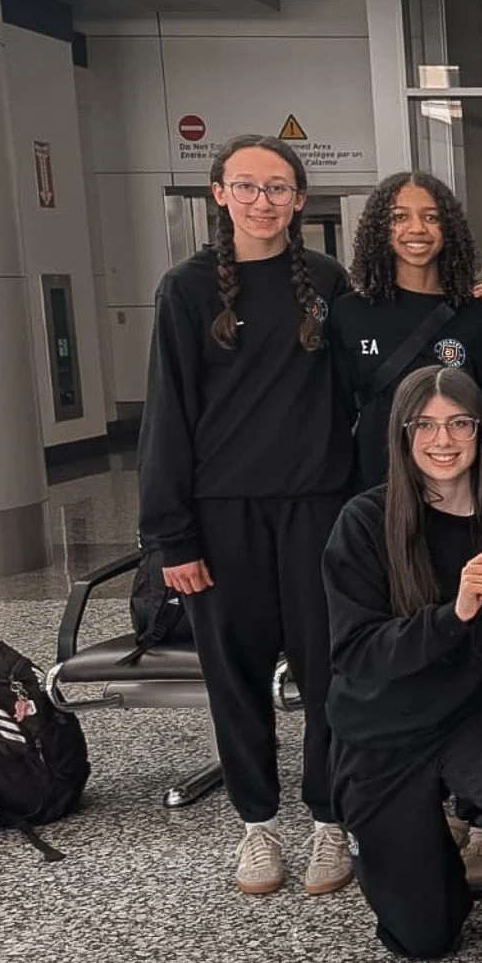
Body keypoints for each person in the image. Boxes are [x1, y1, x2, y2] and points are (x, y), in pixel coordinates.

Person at [138, 133, 355, 896]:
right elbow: (166, 415)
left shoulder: (329, 282)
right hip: (222, 515)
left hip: (319, 509)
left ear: (299, 199)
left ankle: (331, 820)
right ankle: (256, 826)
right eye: (247, 186)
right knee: (235, 676)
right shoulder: (186, 289)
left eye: (278, 187)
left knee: (330, 672)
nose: (263, 201)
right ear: (219, 195)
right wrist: (172, 534)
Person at [322, 368, 482, 963]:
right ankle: (439, 841)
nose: (441, 439)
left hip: (471, 718)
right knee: (423, 934)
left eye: (458, 423)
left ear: (481, 431)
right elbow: (357, 653)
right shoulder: (364, 523)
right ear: (402, 434)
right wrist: (453, 616)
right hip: (383, 729)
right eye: (424, 424)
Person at [329, 171, 482, 488]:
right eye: (399, 217)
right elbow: (337, 414)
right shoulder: (349, 313)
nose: (417, 228)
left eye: (431, 217)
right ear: (381, 229)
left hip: (457, 491)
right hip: (377, 488)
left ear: (448, 229)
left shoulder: (479, 315)